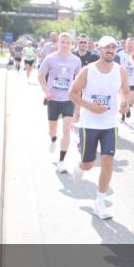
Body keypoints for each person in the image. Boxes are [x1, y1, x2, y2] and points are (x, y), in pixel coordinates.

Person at [68, 36, 131, 220]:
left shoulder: (120, 71)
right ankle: (79, 167)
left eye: (113, 47)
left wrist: (125, 103)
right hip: (89, 124)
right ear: (99, 49)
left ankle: (100, 201)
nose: (110, 50)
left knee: (107, 160)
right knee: (88, 164)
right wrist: (90, 107)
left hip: (110, 124)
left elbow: (125, 91)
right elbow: (72, 93)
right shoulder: (88, 70)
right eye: (106, 47)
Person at [38, 33, 83, 172]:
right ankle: (53, 139)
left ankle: (61, 161)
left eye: (67, 42)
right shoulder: (50, 58)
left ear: (72, 44)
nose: (64, 45)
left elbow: (79, 82)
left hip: (68, 99)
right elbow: (40, 76)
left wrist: (78, 107)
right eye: (62, 42)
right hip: (53, 99)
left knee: (66, 129)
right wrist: (46, 91)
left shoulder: (76, 60)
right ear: (58, 43)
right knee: (52, 130)